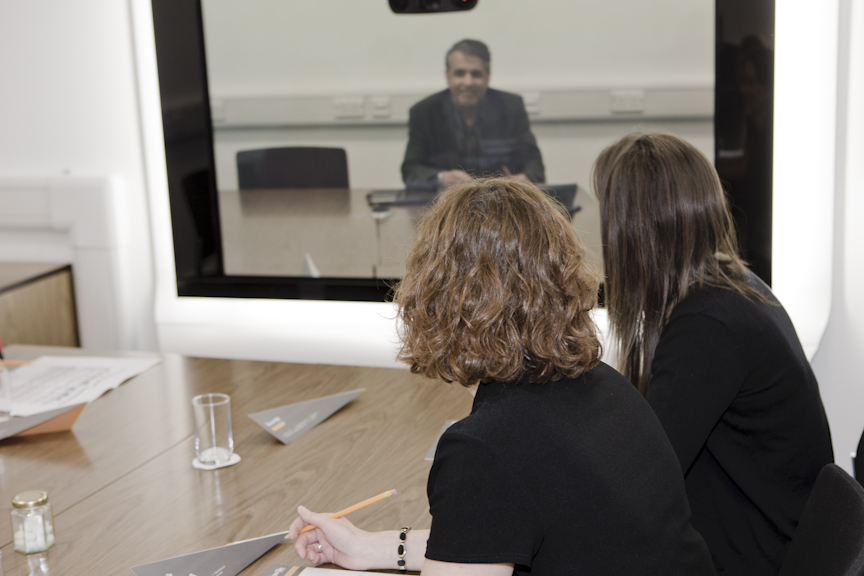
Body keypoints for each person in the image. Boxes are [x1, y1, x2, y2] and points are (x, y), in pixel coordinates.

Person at [288, 178, 715, 575]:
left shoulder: (486, 448)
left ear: (437, 295)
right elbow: (490, 533)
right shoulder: (605, 386)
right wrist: (367, 547)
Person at [594, 132, 834, 576]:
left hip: (756, 555)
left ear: (633, 233)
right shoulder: (729, 285)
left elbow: (639, 479)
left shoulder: (707, 329)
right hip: (769, 531)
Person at [401, 40, 545, 190]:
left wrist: (525, 178)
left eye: (476, 74)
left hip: (500, 199)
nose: (468, 82)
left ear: (488, 77)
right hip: (446, 200)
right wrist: (442, 178)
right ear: (447, 76)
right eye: (460, 73)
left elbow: (535, 165)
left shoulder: (511, 107)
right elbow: (410, 171)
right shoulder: (424, 112)